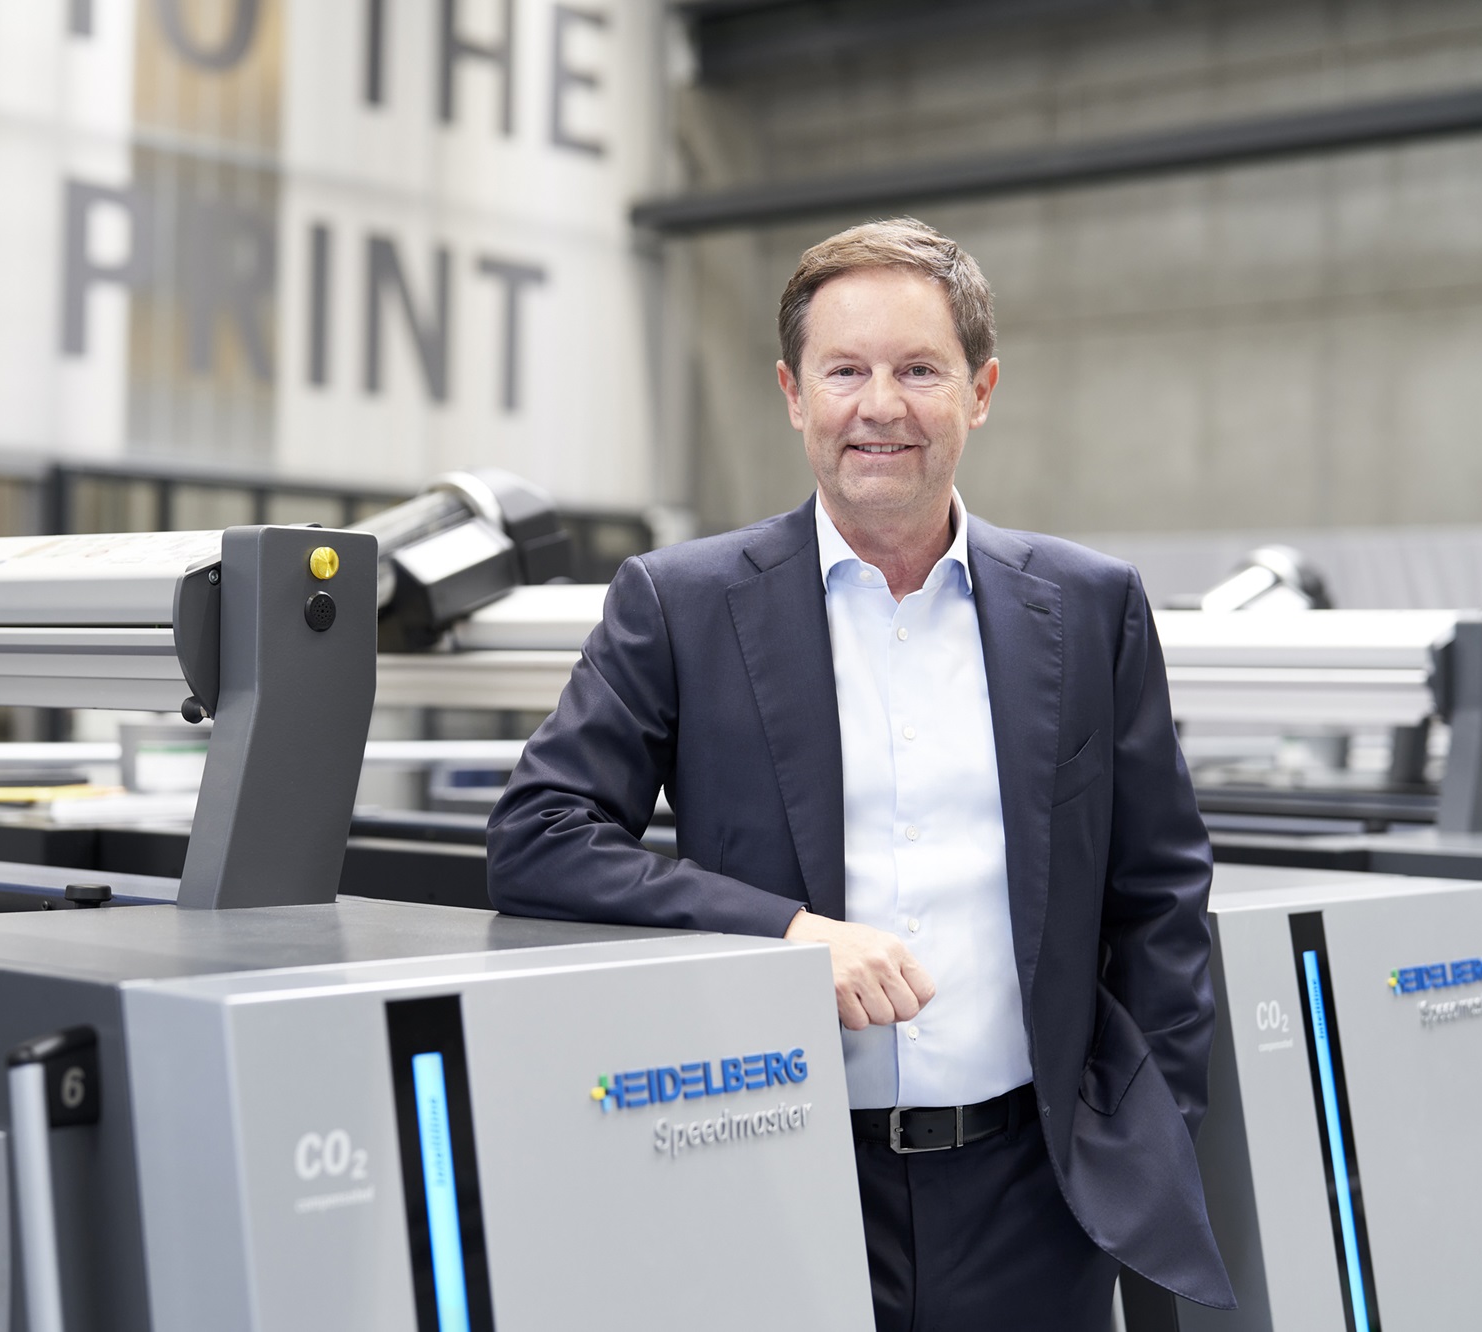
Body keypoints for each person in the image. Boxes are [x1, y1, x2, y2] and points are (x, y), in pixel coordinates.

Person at [486, 217, 1232, 1329]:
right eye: (844, 371)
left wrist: (1145, 1128)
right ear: (793, 394)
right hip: (774, 1180)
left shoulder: (1088, 606)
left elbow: (1160, 891)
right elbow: (538, 837)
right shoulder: (681, 605)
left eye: (919, 370)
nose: (879, 406)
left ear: (980, 391)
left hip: (1034, 1201)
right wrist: (785, 932)